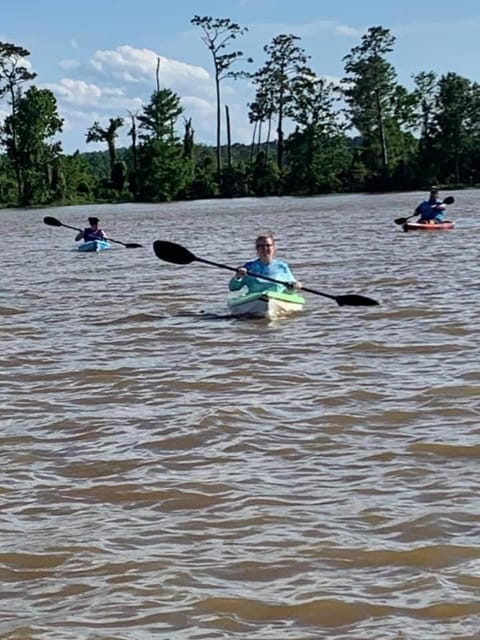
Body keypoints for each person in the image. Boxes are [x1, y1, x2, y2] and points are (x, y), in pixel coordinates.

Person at [229, 233, 302, 294]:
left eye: (268, 245)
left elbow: (294, 285)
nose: (265, 249)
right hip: (256, 298)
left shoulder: (282, 266)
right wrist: (238, 276)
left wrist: (296, 285)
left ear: (273, 248)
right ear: (257, 249)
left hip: (278, 298)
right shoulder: (248, 267)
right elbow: (233, 288)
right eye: (261, 246)